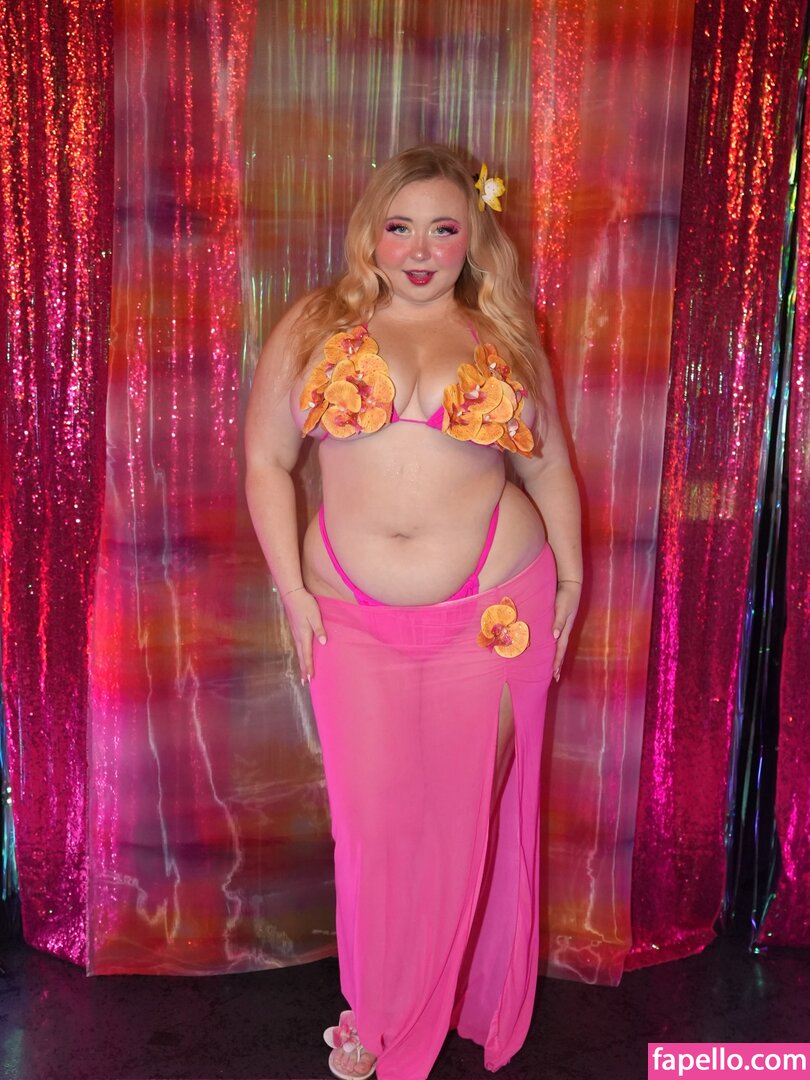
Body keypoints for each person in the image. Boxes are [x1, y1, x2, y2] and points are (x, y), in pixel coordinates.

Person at [245, 145, 582, 1080]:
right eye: (400, 227)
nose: (421, 250)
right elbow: (267, 461)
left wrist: (572, 583)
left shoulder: (501, 331)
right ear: (371, 234)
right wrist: (292, 591)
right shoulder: (316, 325)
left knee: (459, 821)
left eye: (443, 228)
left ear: (474, 238)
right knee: (375, 828)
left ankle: (422, 1010)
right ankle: (382, 1013)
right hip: (351, 621)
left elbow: (550, 464)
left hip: (495, 613)